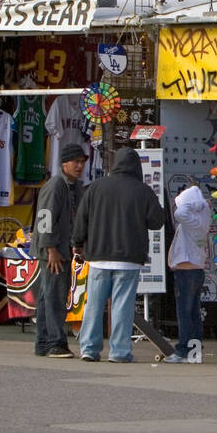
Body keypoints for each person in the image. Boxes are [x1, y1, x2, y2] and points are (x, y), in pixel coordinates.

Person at [73, 147, 165, 363]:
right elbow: (157, 221)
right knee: (122, 306)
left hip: (98, 256)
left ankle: (89, 349)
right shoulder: (142, 190)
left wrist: (77, 243)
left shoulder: (95, 187)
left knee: (94, 304)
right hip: (129, 259)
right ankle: (119, 352)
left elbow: (81, 219)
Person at [33, 143, 88, 359]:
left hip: (60, 248)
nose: (80, 166)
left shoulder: (73, 186)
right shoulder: (56, 185)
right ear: (64, 163)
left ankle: (43, 342)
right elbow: (45, 217)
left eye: (82, 162)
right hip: (53, 251)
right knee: (54, 296)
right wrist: (51, 249)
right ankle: (55, 343)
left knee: (48, 296)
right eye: (76, 162)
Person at [165, 185, 210, 364]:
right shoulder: (202, 218)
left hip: (186, 270)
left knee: (184, 311)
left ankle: (183, 350)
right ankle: (194, 351)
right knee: (193, 312)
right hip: (196, 269)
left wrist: (189, 202)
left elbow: (179, 213)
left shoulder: (192, 220)